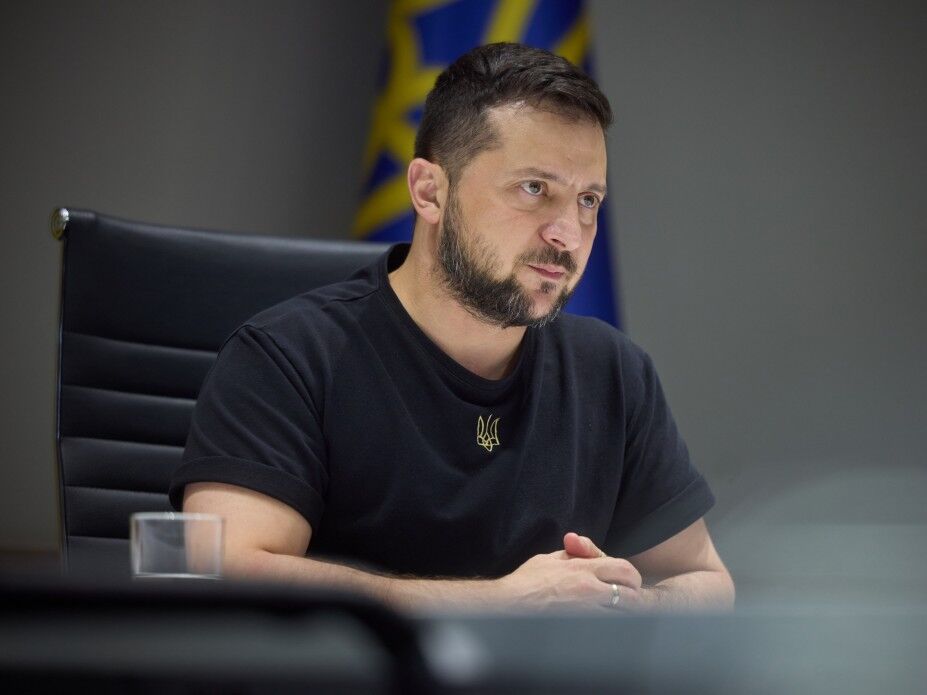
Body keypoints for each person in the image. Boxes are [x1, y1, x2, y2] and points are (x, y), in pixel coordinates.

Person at [169, 43, 734, 613]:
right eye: (534, 188)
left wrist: (623, 608)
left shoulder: (613, 371)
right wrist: (500, 605)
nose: (568, 233)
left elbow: (706, 582)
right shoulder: (286, 357)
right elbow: (228, 569)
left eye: (588, 200)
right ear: (429, 192)